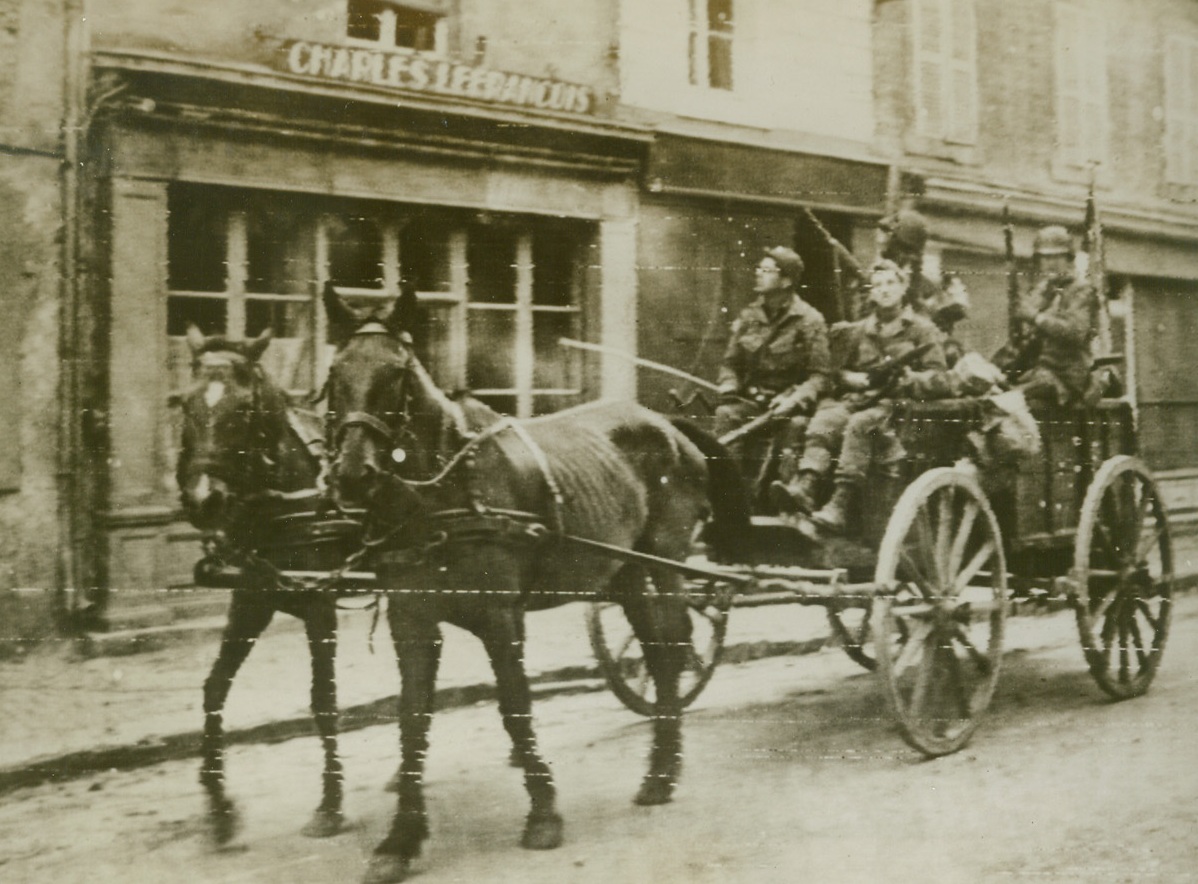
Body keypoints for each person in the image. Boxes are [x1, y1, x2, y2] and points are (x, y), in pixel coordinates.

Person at [771, 260, 949, 530]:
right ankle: (806, 485)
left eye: (890, 283)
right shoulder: (856, 331)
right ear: (871, 293)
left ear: (903, 288)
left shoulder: (922, 331)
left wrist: (909, 380)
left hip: (897, 409)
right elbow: (836, 373)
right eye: (877, 285)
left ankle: (840, 504)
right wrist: (850, 379)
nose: (884, 290)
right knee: (826, 420)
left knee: (860, 425)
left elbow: (940, 379)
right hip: (859, 399)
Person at [715, 247, 831, 503]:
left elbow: (820, 376)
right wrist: (729, 384)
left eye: (766, 270)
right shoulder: (749, 318)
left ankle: (786, 502)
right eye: (759, 268)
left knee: (796, 428)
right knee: (726, 416)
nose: (758, 274)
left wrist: (795, 399)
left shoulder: (810, 320)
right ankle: (725, 497)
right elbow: (730, 363)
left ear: (786, 280)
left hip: (789, 409)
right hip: (752, 404)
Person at [1004, 225, 1101, 407]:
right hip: (1039, 371)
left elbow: (1075, 331)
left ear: (1069, 258)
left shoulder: (1081, 290)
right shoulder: (1040, 291)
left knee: (1011, 400)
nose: (1051, 263)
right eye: (1045, 257)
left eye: (1058, 256)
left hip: (1067, 376)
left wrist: (1035, 317)